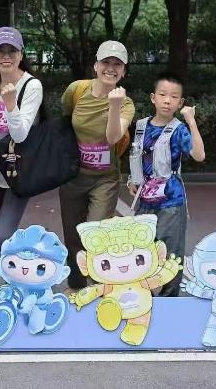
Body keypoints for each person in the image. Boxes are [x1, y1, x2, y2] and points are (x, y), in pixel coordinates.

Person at [59, 40, 135, 292]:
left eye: (117, 64)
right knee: (72, 236)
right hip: (72, 176)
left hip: (105, 179)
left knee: (96, 234)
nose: (110, 68)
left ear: (123, 71)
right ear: (96, 65)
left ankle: (99, 287)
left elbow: (113, 138)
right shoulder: (76, 90)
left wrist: (114, 106)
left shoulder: (126, 103)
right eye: (106, 62)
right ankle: (76, 285)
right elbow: (65, 120)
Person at [127, 71, 206, 297]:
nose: (167, 100)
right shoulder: (141, 126)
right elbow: (138, 156)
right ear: (153, 98)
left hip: (171, 202)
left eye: (174, 97)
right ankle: (145, 299)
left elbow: (199, 155)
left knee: (171, 256)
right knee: (142, 252)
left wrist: (191, 122)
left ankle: (170, 300)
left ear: (180, 103)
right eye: (162, 95)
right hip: (144, 201)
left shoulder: (179, 130)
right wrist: (133, 179)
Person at [0, 27, 45, 251]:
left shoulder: (31, 85)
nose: (6, 56)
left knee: (3, 235)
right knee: (7, 232)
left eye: (12, 51)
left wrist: (10, 103)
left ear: (21, 54)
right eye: (0, 51)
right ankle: (15, 271)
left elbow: (20, 134)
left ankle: (25, 264)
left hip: (19, 171)